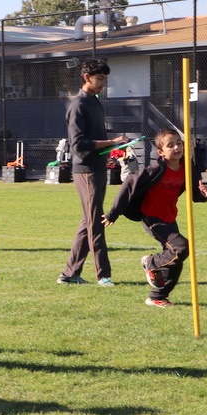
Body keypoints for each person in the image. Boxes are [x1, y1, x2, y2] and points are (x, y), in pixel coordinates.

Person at [102, 129, 207, 308]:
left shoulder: (186, 167)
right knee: (181, 247)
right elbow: (129, 183)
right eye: (171, 145)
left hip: (170, 218)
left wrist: (205, 194)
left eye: (179, 143)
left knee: (176, 260)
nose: (177, 147)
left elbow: (194, 194)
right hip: (152, 218)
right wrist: (114, 212)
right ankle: (150, 262)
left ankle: (156, 297)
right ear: (161, 152)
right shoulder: (156, 169)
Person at [57, 58, 128, 287]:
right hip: (86, 170)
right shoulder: (78, 106)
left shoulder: (96, 103)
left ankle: (69, 274)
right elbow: (78, 144)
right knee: (96, 221)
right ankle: (103, 274)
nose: (103, 83)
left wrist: (115, 145)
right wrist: (111, 141)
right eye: (99, 78)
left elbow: (97, 140)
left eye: (105, 78)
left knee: (88, 219)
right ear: (86, 78)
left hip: (98, 168)